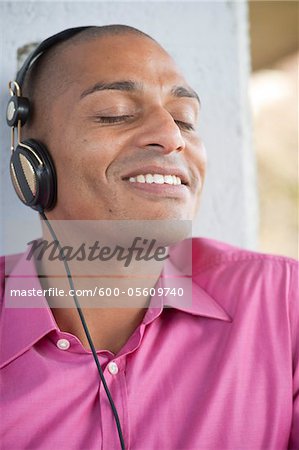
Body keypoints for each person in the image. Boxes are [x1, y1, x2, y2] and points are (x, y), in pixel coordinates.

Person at [0, 25, 298, 450]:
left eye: (185, 120)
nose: (173, 137)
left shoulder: (284, 302)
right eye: (116, 112)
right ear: (30, 160)